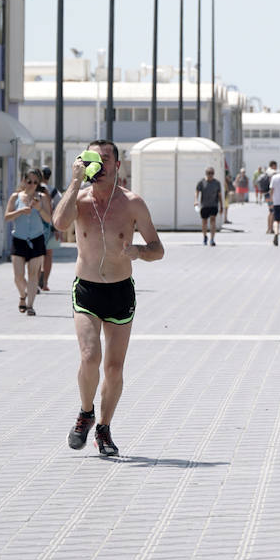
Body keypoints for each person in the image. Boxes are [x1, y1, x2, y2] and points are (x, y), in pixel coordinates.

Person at [54, 140, 164, 457]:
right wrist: (74, 182)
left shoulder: (132, 204)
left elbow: (158, 249)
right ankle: (85, 412)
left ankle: (103, 427)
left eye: (105, 159)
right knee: (90, 356)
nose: (98, 165)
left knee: (114, 369)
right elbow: (60, 225)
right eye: (92, 159)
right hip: (87, 289)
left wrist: (138, 252)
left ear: (117, 164)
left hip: (120, 291)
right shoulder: (80, 198)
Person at [6, 171, 51, 315]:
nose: (32, 185)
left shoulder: (42, 198)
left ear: (38, 184)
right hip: (19, 239)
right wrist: (19, 212)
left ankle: (30, 306)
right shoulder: (15, 197)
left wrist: (39, 209)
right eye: (29, 181)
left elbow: (49, 219)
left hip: (37, 239)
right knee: (18, 276)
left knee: (33, 275)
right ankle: (22, 296)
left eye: (35, 182)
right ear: (24, 181)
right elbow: (7, 217)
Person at [40, 166, 61, 292]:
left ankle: (36, 279)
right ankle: (45, 283)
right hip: (52, 226)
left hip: (38, 225)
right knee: (48, 255)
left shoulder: (36, 189)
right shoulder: (53, 191)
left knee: (37, 255)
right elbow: (59, 208)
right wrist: (58, 228)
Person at [196, 166, 223, 245]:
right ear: (206, 174)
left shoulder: (217, 183)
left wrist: (221, 206)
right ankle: (205, 236)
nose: (210, 175)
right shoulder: (201, 182)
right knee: (204, 222)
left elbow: (220, 195)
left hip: (214, 205)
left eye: (212, 173)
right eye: (209, 173)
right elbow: (197, 191)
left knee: (213, 220)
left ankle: (212, 239)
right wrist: (196, 200)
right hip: (204, 205)